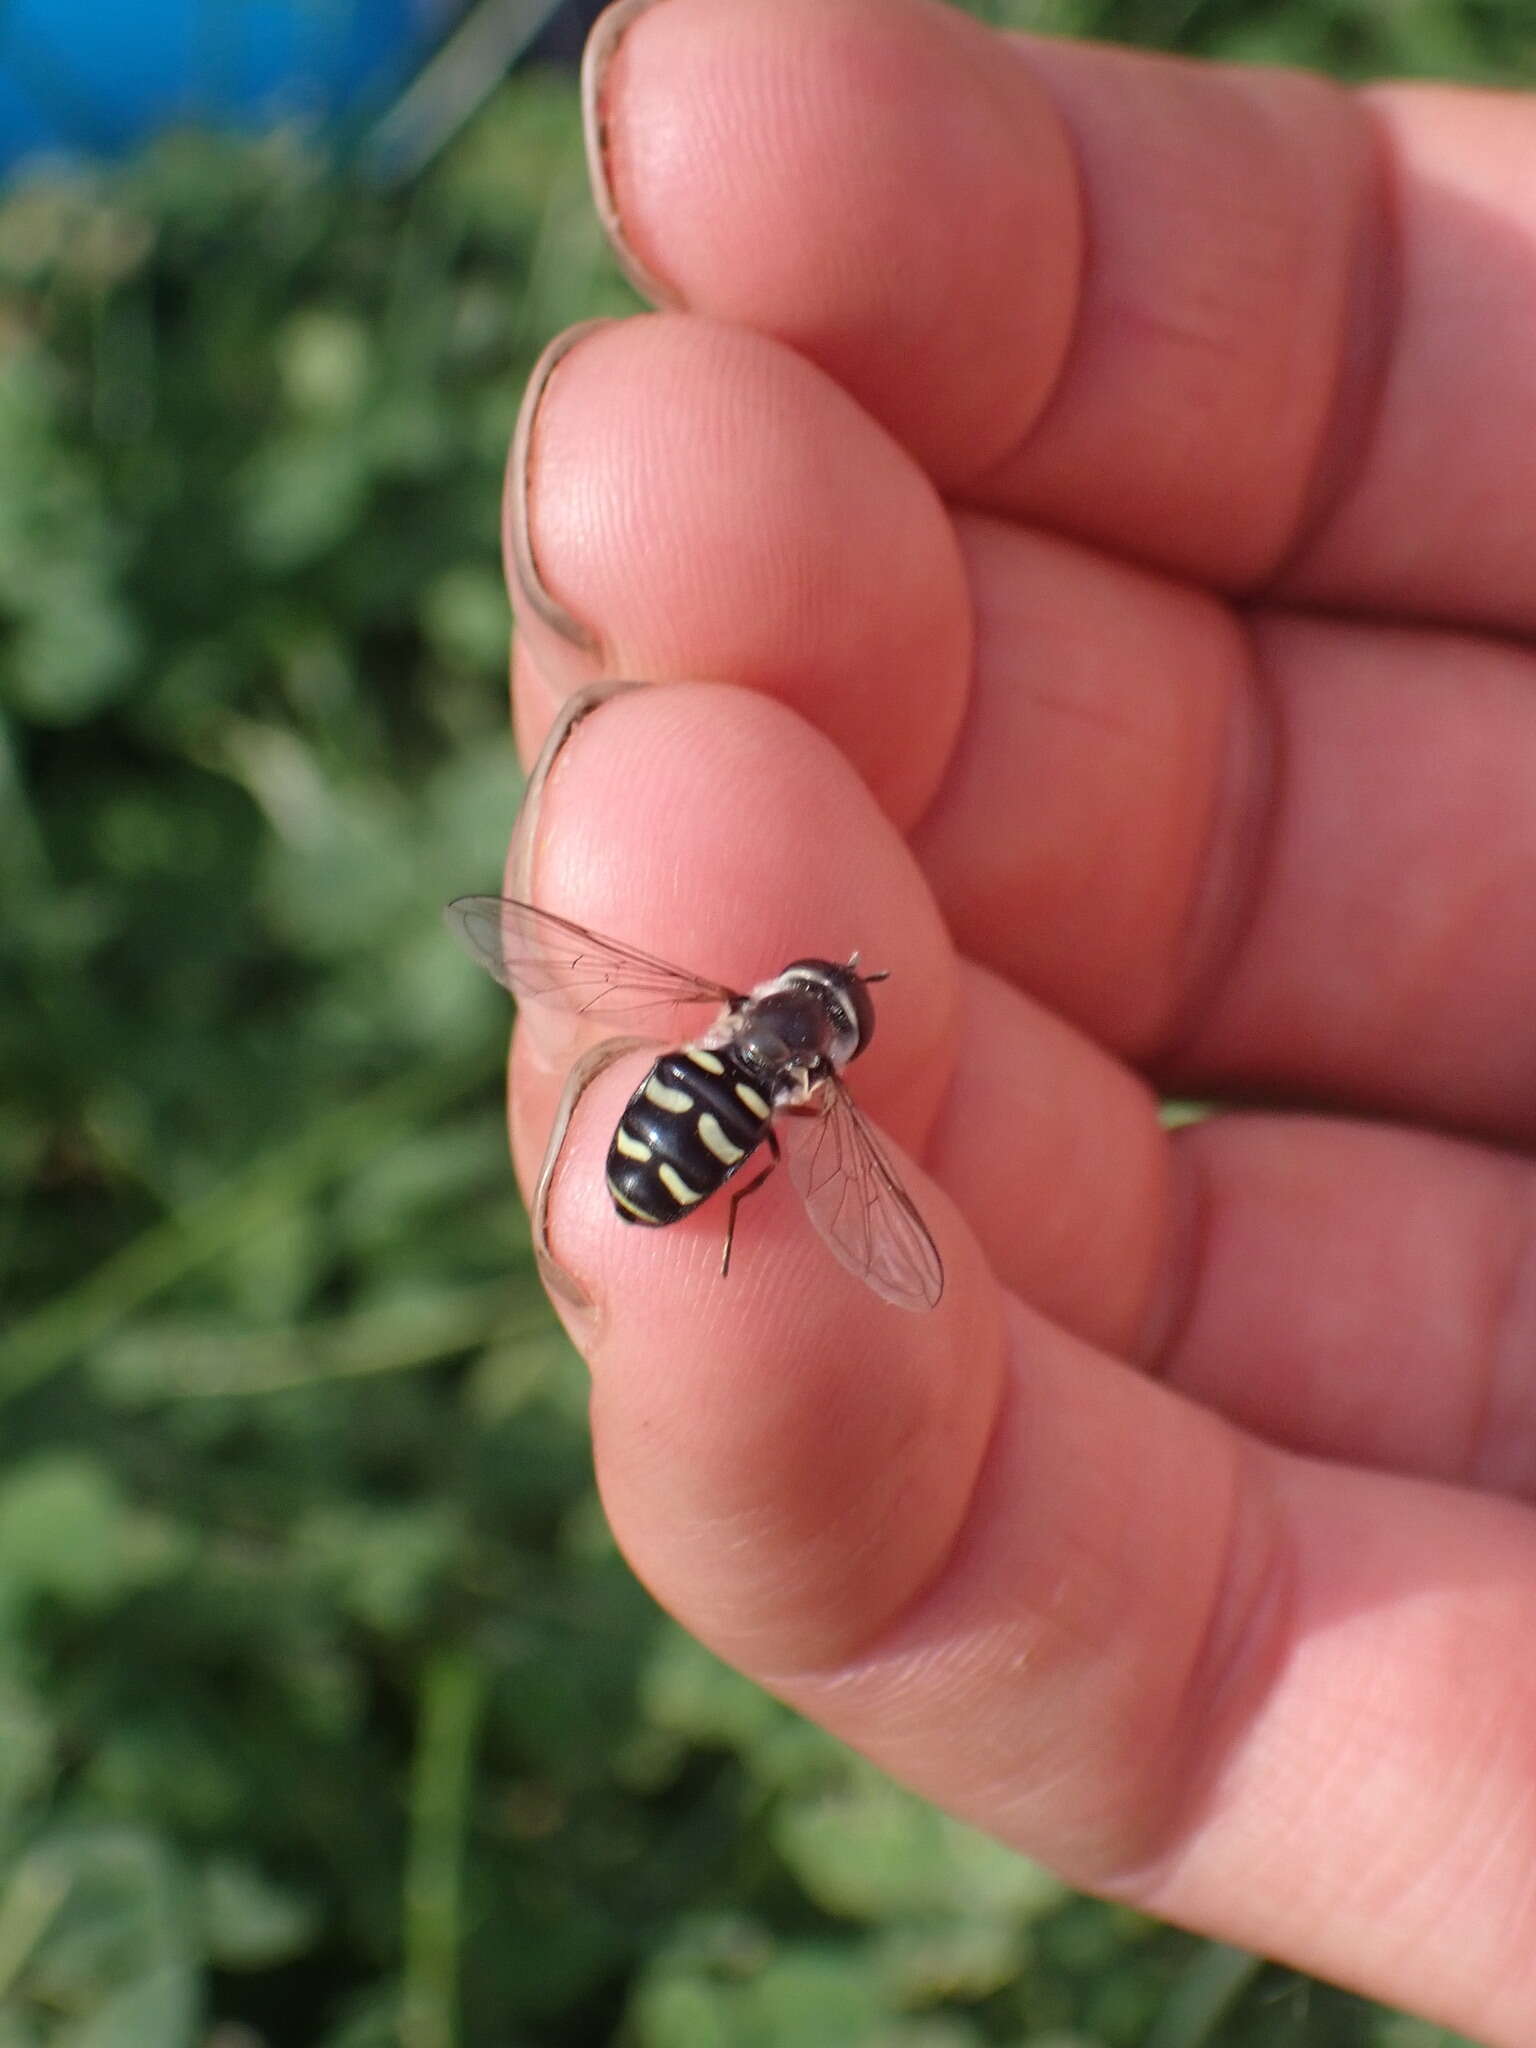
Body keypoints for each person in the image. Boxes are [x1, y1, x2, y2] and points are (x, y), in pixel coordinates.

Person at [498, 1, 1536, 2038]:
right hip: (682, 1137)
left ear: (761, 1036)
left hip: (667, 1117)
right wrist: (738, 1160)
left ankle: (670, 1213)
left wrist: (703, 1132)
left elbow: (605, 994)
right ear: (806, 1051)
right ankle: (675, 1220)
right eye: (816, 1024)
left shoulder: (717, 1028)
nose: (813, 1034)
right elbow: (826, 1177)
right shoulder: (815, 1104)